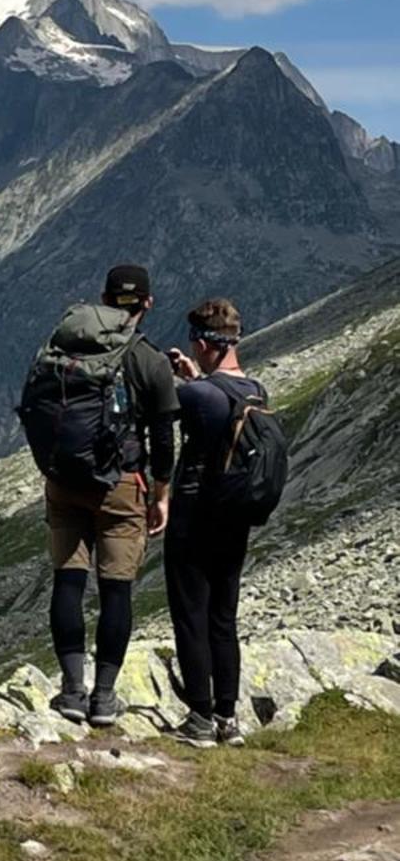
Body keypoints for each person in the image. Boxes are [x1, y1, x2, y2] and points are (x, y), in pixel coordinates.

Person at [23, 263, 179, 728]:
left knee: (68, 582)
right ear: (146, 304)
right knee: (116, 590)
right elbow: (164, 438)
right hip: (121, 488)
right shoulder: (149, 360)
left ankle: (71, 690)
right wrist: (160, 493)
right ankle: (104, 698)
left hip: (64, 483)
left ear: (104, 299)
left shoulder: (64, 346)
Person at [164, 298, 266, 748]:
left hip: (193, 517)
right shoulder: (256, 391)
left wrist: (185, 381)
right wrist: (197, 376)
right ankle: (228, 718)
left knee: (191, 616)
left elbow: (167, 413)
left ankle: (199, 720)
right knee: (223, 618)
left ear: (204, 343)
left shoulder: (195, 395)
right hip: (235, 519)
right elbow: (216, 401)